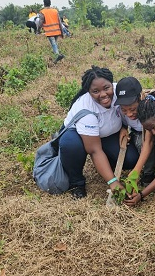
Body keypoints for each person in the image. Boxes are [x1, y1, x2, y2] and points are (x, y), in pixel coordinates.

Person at [58, 66, 139, 199]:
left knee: (131, 159)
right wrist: (113, 182)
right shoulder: (86, 109)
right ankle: (76, 182)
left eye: (106, 88)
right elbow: (95, 150)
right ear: (88, 92)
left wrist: (124, 126)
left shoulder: (119, 90)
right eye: (95, 91)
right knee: (71, 145)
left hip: (106, 133)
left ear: (111, 84)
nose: (103, 94)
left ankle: (105, 166)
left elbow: (128, 107)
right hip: (79, 135)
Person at [114, 78, 155, 193]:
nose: (129, 114)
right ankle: (148, 172)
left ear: (140, 97)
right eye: (125, 110)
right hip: (140, 134)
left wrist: (135, 172)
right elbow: (125, 123)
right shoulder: (121, 110)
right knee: (140, 141)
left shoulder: (150, 104)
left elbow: (148, 142)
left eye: (132, 109)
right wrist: (123, 128)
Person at [38, 0, 65, 64]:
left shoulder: (42, 12)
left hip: (49, 32)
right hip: (57, 31)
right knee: (54, 43)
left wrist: (38, 30)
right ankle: (55, 58)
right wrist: (62, 32)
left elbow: (40, 22)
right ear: (50, 3)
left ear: (44, 3)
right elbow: (59, 22)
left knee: (53, 43)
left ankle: (58, 55)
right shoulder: (55, 11)